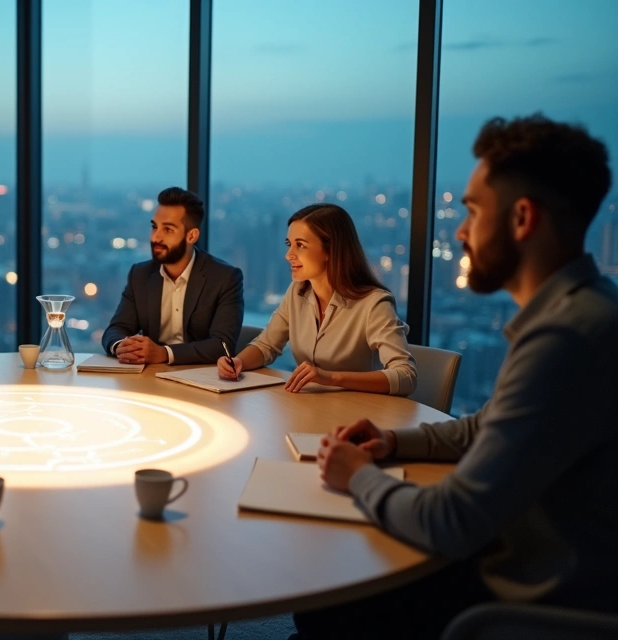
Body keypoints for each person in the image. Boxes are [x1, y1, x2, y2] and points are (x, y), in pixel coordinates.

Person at [299, 115, 616, 639]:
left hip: (526, 597)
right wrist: (389, 441)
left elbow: (452, 519)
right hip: (514, 557)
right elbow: (481, 430)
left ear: (522, 218)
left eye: (471, 210)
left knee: (332, 590)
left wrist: (357, 475)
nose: (461, 231)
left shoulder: (566, 341)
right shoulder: (578, 314)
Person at [219, 204, 417, 395]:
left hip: (360, 415)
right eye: (289, 245)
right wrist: (239, 363)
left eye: (300, 246)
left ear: (330, 250)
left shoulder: (374, 303)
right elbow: (267, 345)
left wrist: (332, 378)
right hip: (308, 406)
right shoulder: (297, 292)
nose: (289, 255)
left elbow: (406, 376)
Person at [102, 186, 244, 365]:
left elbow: (222, 346)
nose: (156, 237)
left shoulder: (225, 278)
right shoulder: (140, 274)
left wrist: (163, 353)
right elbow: (116, 329)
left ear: (191, 236)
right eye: (155, 227)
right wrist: (123, 346)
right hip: (151, 378)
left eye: (168, 230)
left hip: (201, 380)